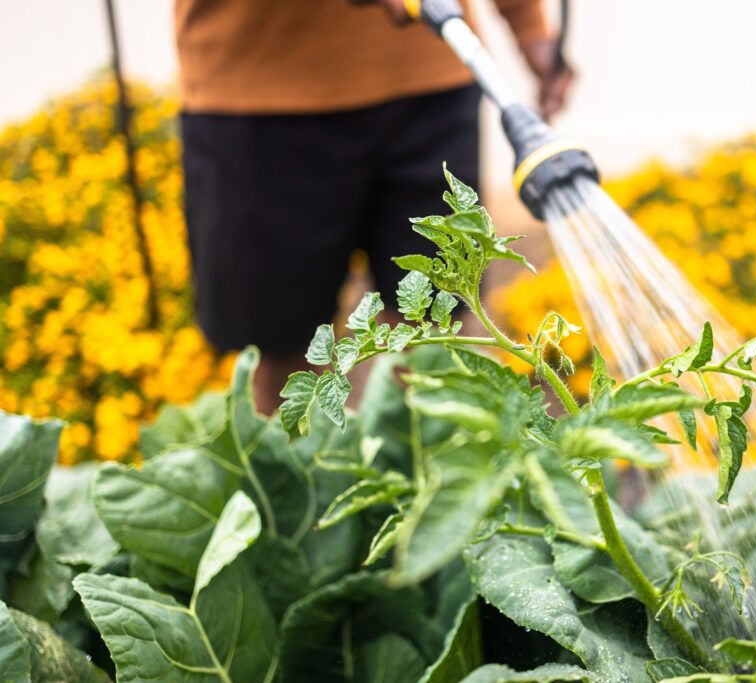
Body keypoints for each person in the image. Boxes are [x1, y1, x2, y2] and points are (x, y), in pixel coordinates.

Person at [174, 0, 572, 414]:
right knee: (279, 347)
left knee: (435, 326)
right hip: (258, 95)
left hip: (432, 76)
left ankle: (417, 463)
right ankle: (289, 471)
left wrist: (529, 24)